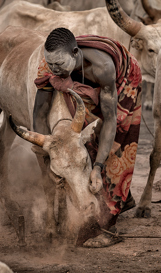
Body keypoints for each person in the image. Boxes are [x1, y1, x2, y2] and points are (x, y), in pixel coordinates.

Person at [33, 28, 142, 247]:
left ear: (75, 53)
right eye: (50, 65)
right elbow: (39, 112)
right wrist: (48, 159)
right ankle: (121, 199)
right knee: (79, 144)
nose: (54, 71)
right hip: (88, 86)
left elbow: (111, 120)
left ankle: (108, 225)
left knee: (115, 147)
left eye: (59, 66)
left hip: (124, 82)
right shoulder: (54, 61)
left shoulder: (103, 68)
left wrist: (98, 167)